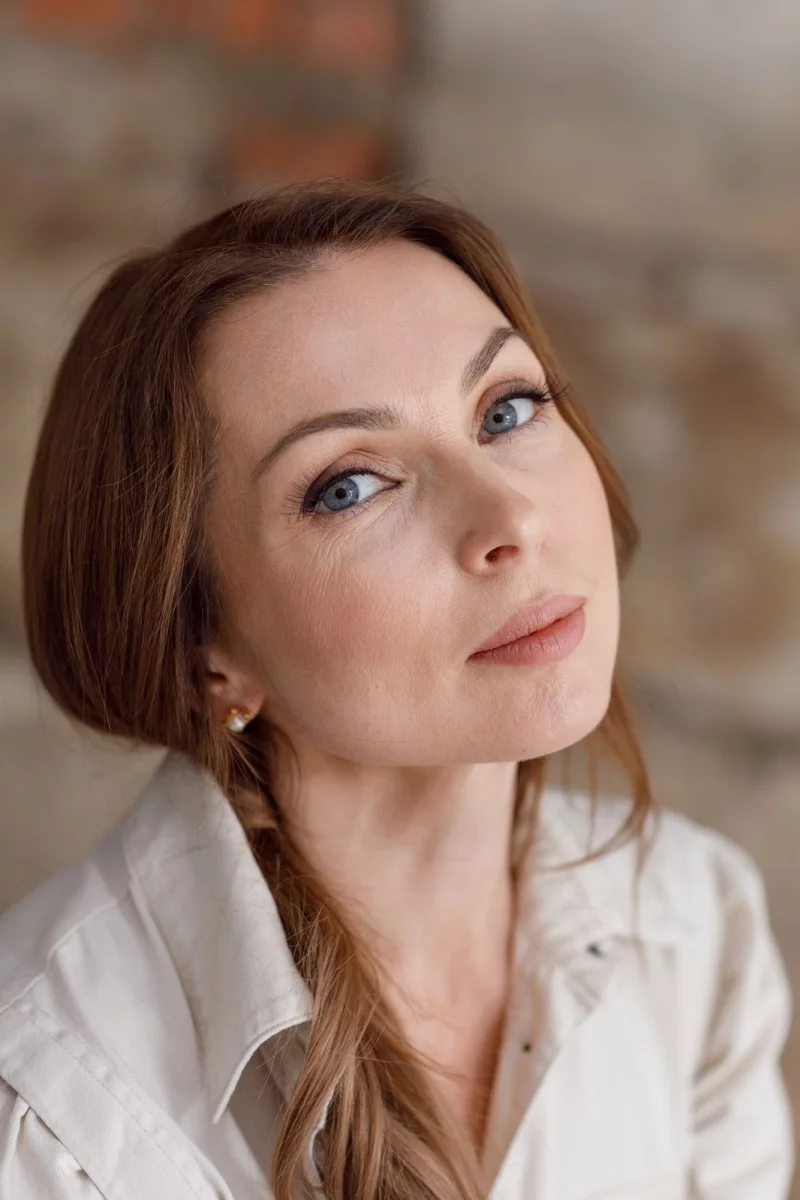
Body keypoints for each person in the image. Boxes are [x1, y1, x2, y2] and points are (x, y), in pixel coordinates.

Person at [0, 178, 793, 1200]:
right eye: (349, 485)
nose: (509, 517)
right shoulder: (45, 1111)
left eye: (506, 410)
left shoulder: (692, 924)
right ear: (203, 645)